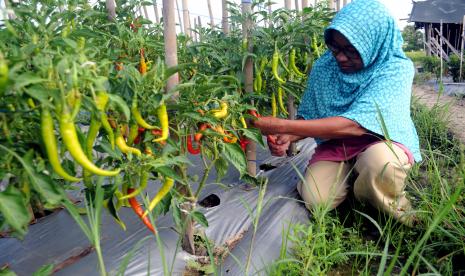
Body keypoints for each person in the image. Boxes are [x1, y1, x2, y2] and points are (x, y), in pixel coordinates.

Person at [253, 0, 421, 226]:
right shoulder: (326, 67)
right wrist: (288, 137)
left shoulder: (395, 67)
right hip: (337, 145)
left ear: (373, 43)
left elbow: (355, 125)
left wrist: (282, 125)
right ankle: (357, 181)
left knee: (380, 166)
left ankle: (398, 220)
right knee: (316, 199)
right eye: (335, 48)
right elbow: (311, 116)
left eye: (351, 50)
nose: (340, 57)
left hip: (381, 141)